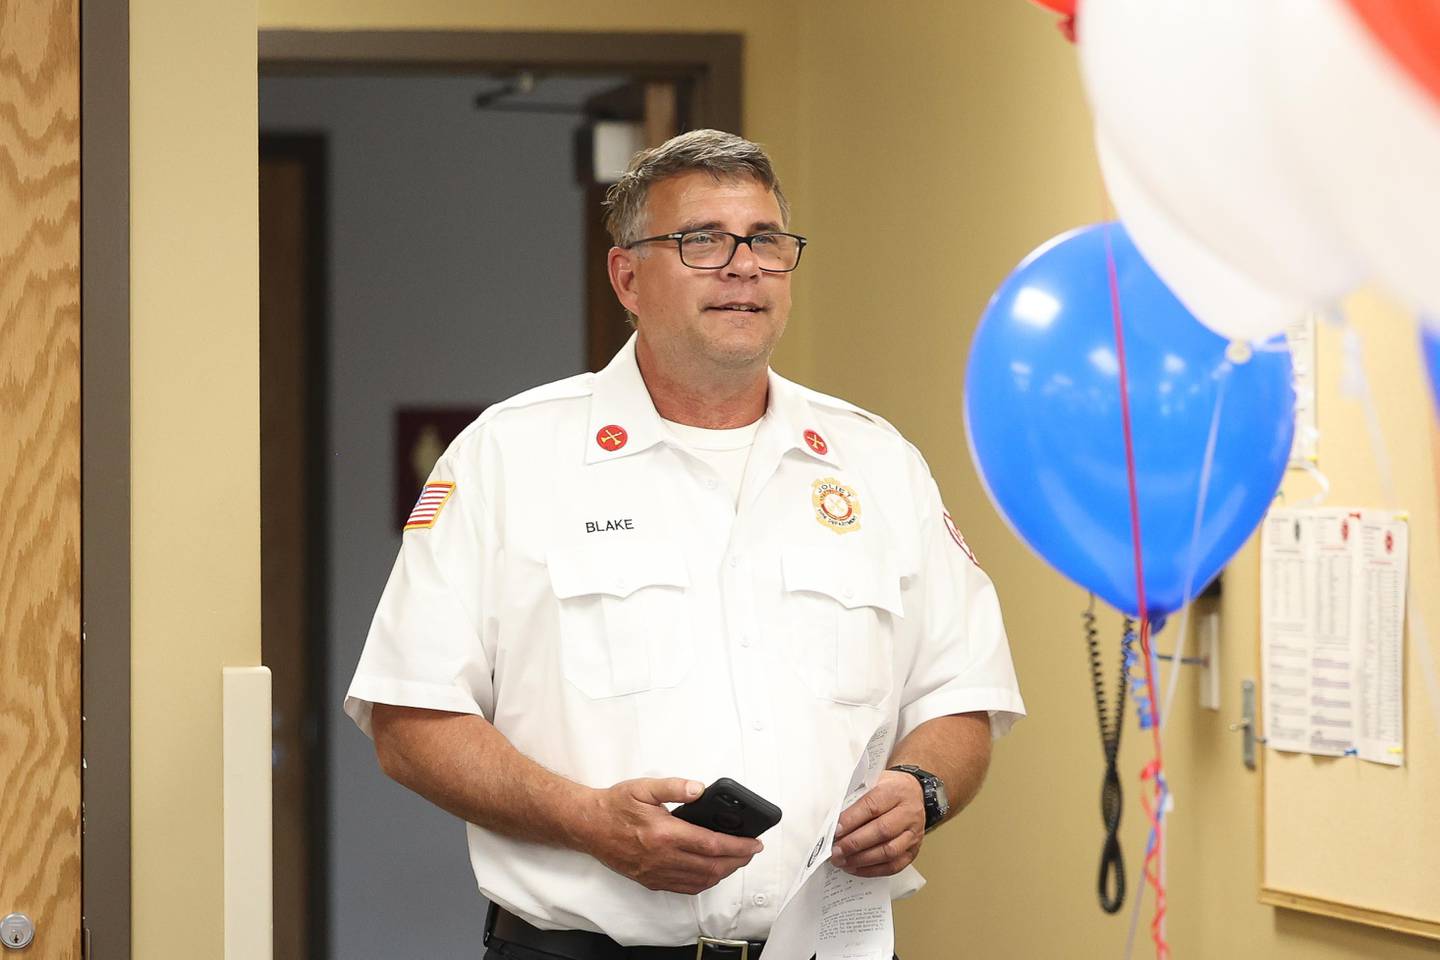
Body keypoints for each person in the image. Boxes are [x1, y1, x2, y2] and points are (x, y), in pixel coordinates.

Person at [345, 129, 1025, 959]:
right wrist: (589, 822)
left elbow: (963, 695)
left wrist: (921, 790)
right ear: (627, 277)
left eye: (766, 242)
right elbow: (410, 721)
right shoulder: (509, 457)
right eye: (701, 241)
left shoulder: (878, 463)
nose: (743, 266)